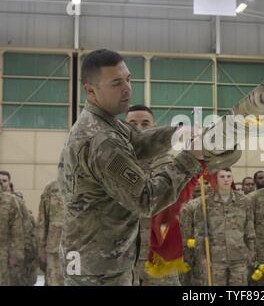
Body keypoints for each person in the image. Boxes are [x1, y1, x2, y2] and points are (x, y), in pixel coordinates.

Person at [58, 49, 206, 286]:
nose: (127, 88)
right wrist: (190, 158)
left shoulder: (105, 122)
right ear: (90, 90)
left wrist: (179, 134)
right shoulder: (101, 140)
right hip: (100, 272)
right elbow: (146, 199)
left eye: (128, 79)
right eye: (116, 83)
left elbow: (138, 141)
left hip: (100, 262)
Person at [125, 104, 181, 286]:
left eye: (145, 123)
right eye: (132, 123)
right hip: (123, 257)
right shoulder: (113, 161)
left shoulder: (169, 162)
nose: (139, 128)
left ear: (154, 128)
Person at [193, 168, 255, 286]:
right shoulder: (206, 203)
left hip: (239, 256)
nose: (226, 180)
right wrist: (202, 257)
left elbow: (249, 229)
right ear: (216, 179)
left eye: (228, 176)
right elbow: (199, 232)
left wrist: (251, 252)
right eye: (222, 177)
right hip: (215, 258)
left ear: (232, 179)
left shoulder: (244, 202)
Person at [36, 180, 65, 286]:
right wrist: (41, 250)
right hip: (55, 252)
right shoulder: (52, 188)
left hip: (84, 251)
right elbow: (42, 222)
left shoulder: (91, 184)